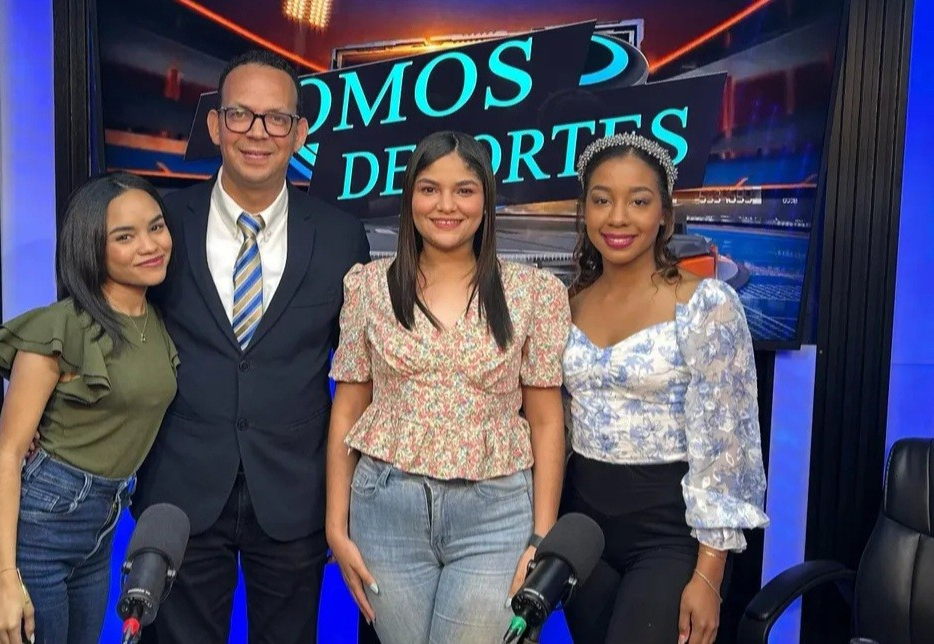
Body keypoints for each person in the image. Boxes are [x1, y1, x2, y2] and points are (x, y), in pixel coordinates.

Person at [131, 49, 369, 644]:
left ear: (299, 132)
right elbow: (113, 328)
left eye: (276, 118)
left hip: (296, 491)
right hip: (180, 490)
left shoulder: (340, 236)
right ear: (215, 125)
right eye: (240, 115)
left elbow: (362, 371)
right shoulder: (162, 223)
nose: (257, 132)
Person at [326, 131, 568, 644]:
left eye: (464, 190)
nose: (446, 205)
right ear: (410, 197)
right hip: (385, 509)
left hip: (495, 514)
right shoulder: (368, 286)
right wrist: (336, 526)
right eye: (429, 189)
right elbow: (347, 408)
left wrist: (541, 536)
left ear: (486, 200)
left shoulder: (532, 293)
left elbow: (547, 421)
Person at [560, 132, 769, 644]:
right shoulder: (567, 304)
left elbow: (728, 447)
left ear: (665, 216)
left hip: (670, 533)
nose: (618, 217)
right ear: (585, 212)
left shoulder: (705, 305)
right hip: (584, 525)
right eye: (602, 200)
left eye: (638, 201)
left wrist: (709, 574)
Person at [0, 172, 179, 644]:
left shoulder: (155, 319)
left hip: (101, 528)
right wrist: (3, 578)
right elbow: (7, 454)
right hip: (38, 530)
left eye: (156, 227)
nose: (150, 245)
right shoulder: (60, 328)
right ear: (91, 248)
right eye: (124, 237)